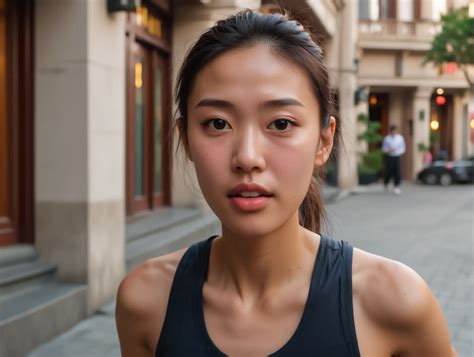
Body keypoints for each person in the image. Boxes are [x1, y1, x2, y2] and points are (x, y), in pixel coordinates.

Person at [116, 10, 456, 357]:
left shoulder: (393, 302)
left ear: (324, 142)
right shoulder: (146, 300)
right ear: (186, 140)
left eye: (280, 124)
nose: (247, 157)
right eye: (217, 123)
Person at [382, 125, 406, 194]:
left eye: (395, 131)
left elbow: (403, 148)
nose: (394, 132)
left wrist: (398, 151)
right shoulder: (387, 138)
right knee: (388, 171)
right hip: (389, 156)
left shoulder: (400, 138)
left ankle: (396, 186)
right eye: (392, 131)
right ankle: (386, 183)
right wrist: (389, 150)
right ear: (390, 131)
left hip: (397, 156)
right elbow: (384, 149)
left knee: (397, 172)